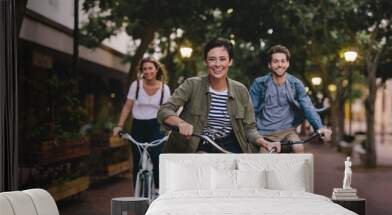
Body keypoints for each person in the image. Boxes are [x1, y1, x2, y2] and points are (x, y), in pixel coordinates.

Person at [157, 37, 280, 153]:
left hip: (230, 146)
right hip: (198, 144)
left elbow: (250, 129)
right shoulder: (192, 84)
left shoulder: (241, 90)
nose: (217, 64)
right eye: (212, 59)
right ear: (206, 61)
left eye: (222, 59)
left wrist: (264, 142)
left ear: (230, 61)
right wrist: (181, 123)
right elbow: (165, 110)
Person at [249, 45, 332, 153]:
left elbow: (308, 107)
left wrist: (319, 127)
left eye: (283, 61)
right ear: (269, 65)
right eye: (275, 61)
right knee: (263, 157)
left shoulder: (296, 84)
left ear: (287, 64)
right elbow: (251, 111)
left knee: (298, 148)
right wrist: (252, 133)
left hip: (287, 131)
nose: (280, 65)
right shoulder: (259, 84)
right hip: (264, 131)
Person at [113, 57, 171, 190]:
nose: (147, 71)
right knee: (137, 161)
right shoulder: (136, 85)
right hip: (138, 126)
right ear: (141, 71)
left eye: (150, 68)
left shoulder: (164, 89)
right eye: (144, 69)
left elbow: (167, 110)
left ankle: (157, 191)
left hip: (156, 126)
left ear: (156, 70)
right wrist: (119, 126)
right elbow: (128, 106)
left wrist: (171, 127)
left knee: (157, 158)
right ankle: (137, 195)